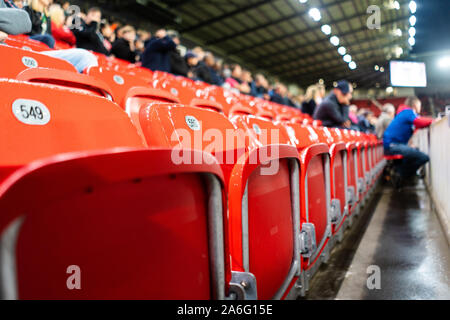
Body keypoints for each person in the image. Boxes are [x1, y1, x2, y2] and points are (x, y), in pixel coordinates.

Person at [383, 96, 433, 185]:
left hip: (392, 145)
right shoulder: (408, 112)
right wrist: (433, 120)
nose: (420, 108)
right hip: (393, 145)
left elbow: (416, 125)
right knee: (424, 157)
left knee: (415, 151)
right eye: (419, 105)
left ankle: (402, 173)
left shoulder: (403, 112)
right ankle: (401, 173)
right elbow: (419, 122)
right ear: (415, 105)